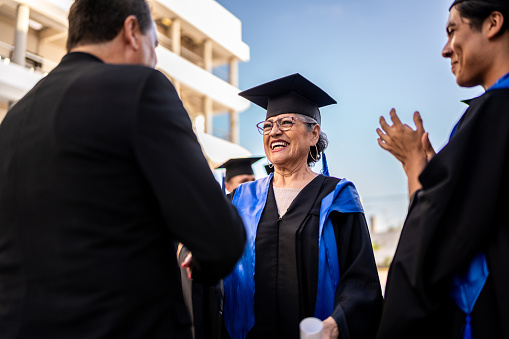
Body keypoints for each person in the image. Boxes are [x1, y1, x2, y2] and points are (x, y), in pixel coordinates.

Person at [0, 1, 246, 338]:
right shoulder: (141, 88)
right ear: (131, 31)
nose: (154, 58)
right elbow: (221, 239)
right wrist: (201, 265)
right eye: (155, 45)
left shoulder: (14, 119)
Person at [375, 0, 509, 338]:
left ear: (493, 23)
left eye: (453, 30)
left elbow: (435, 242)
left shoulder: (495, 111)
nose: (445, 50)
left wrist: (415, 165)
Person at [222, 73, 383, 339]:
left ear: (313, 134)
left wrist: (335, 324)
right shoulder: (241, 199)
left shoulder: (337, 198)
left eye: (286, 122)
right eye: (268, 125)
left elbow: (361, 280)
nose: (274, 131)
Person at [178, 156, 262, 339]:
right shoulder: (218, 217)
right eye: (244, 181)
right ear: (229, 186)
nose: (251, 185)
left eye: (253, 180)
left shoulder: (262, 213)